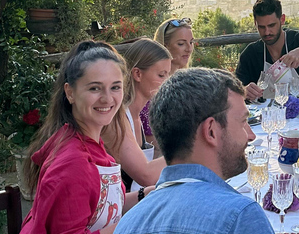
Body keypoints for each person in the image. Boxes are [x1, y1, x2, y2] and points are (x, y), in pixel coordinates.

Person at [114, 67, 273, 234]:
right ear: (211, 131)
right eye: (243, 122)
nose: (251, 135)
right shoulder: (241, 217)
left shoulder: (128, 223)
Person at [21, 41, 152, 234]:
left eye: (115, 87)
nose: (107, 99)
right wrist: (133, 225)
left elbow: (103, 207)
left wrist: (145, 195)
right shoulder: (72, 164)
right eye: (95, 88)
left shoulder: (86, 141)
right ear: (70, 93)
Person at [103, 38, 170, 192]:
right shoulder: (117, 118)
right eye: (161, 75)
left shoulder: (137, 116)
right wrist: (191, 149)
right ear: (138, 74)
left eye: (168, 75)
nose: (167, 82)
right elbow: (145, 175)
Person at [142, 17, 195, 149]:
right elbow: (153, 144)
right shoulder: (153, 87)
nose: (189, 49)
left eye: (191, 42)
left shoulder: (186, 81)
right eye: (181, 44)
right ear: (164, 47)